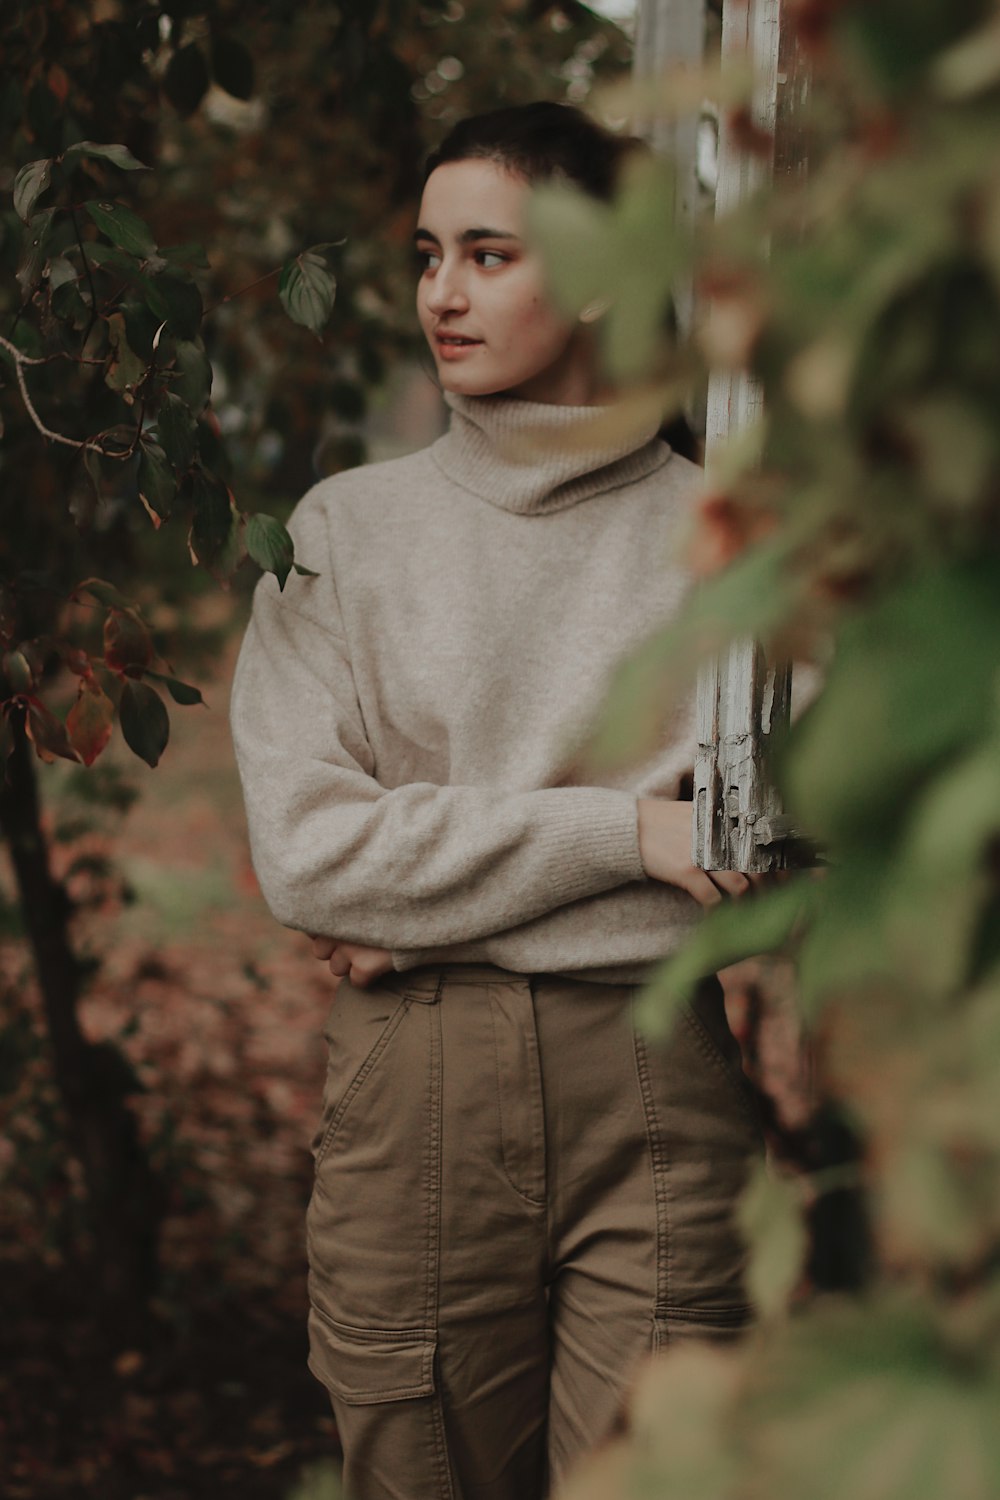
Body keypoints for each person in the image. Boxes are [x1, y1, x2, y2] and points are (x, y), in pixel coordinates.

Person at [229, 100, 764, 1500]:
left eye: (488, 254)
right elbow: (309, 857)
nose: (441, 295)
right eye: (425, 254)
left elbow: (792, 857)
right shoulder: (343, 534)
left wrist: (432, 905)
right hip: (416, 1090)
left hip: (660, 1084)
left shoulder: (721, 544)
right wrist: (626, 831)